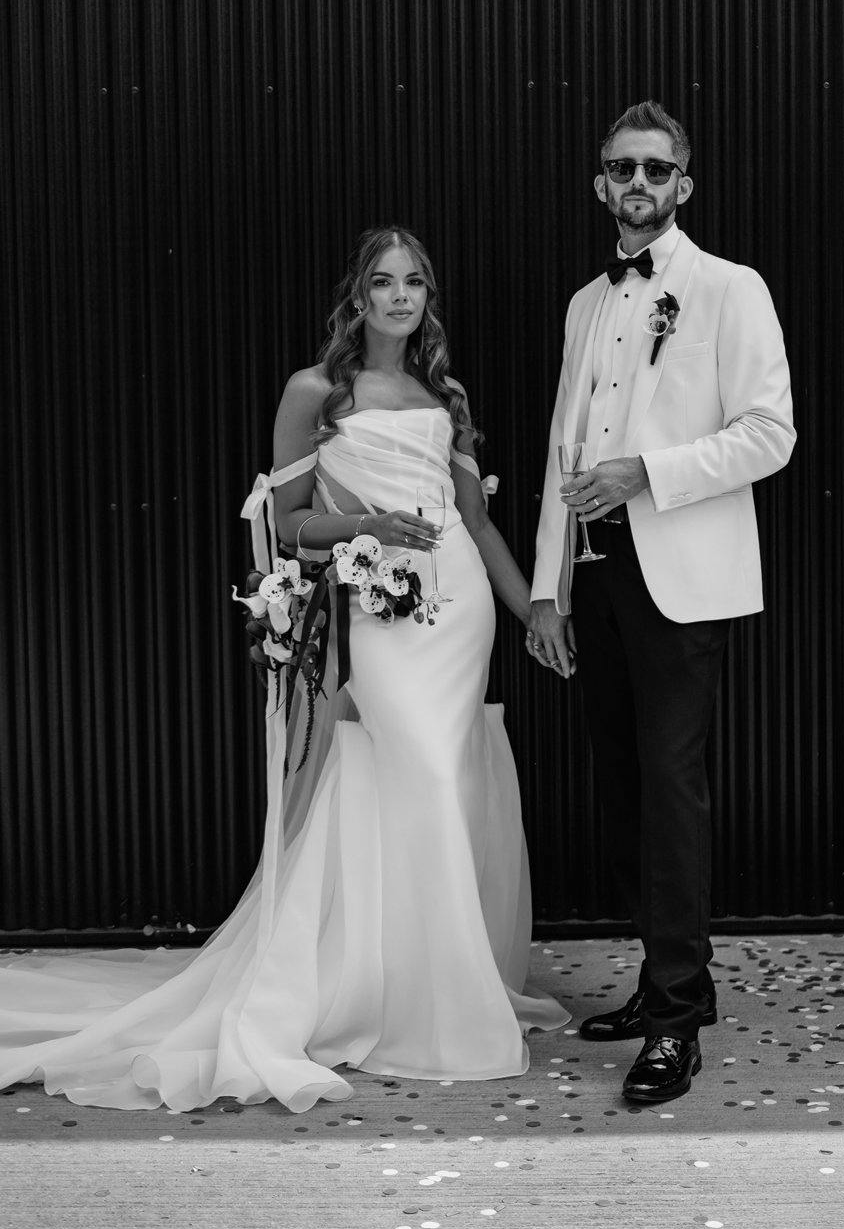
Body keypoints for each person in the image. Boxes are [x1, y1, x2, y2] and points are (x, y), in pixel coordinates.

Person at [0, 225, 568, 1111]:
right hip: (382, 609)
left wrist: (533, 605)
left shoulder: (443, 390)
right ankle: (417, 1000)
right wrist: (367, 529)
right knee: (412, 767)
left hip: (457, 607)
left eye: (415, 283)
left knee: (447, 779)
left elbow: (480, 523)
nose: (399, 298)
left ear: (428, 297)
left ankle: (439, 981)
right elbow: (285, 524)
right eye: (383, 283)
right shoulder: (316, 392)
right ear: (358, 295)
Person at [528, 102, 795, 1105]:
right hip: (593, 578)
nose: (636, 184)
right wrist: (549, 588)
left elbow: (771, 433)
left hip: (677, 580)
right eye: (619, 169)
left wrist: (650, 471)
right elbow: (562, 449)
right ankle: (667, 980)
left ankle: (675, 1023)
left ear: (684, 183)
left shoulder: (730, 289)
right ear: (600, 184)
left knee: (671, 796)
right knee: (621, 797)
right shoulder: (584, 303)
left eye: (655, 169)